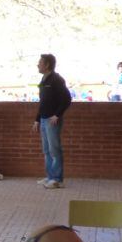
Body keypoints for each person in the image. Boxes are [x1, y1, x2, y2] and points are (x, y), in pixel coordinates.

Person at [31, 53, 71, 189]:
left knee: (55, 150)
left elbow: (67, 99)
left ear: (47, 64)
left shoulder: (56, 79)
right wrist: (37, 119)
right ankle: (50, 177)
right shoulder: (44, 79)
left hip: (51, 121)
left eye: (40, 62)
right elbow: (43, 103)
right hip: (43, 120)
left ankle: (57, 180)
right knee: (47, 150)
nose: (38, 64)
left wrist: (57, 115)